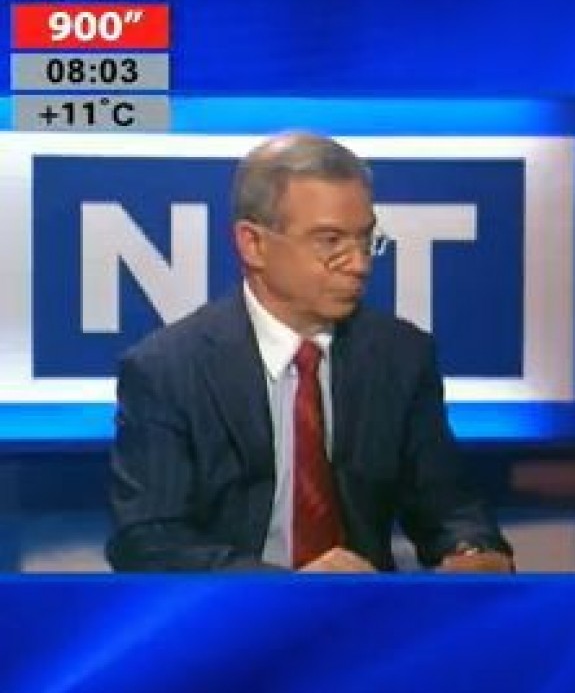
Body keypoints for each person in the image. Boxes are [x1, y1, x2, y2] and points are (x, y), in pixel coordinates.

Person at [107, 131, 513, 573]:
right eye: (330, 241)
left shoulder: (400, 356)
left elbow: (449, 505)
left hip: (362, 608)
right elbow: (148, 540)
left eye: (365, 240)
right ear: (253, 244)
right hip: (234, 611)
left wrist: (471, 550)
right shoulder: (168, 370)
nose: (359, 264)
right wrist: (288, 588)